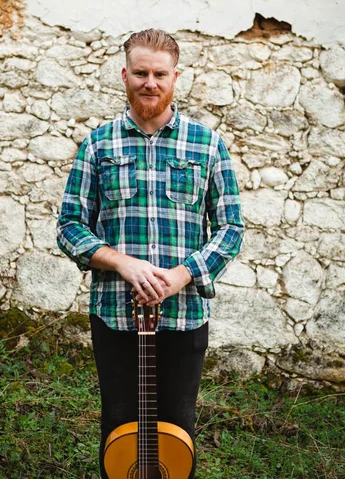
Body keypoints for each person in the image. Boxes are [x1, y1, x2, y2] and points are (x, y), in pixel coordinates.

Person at [56, 28, 245, 478]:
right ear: (125, 74)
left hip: (184, 317)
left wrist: (183, 274)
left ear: (175, 77)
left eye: (160, 73)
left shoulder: (207, 144)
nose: (150, 83)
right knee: (119, 432)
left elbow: (231, 228)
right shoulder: (98, 144)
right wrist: (121, 262)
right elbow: (69, 226)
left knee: (177, 435)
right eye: (140, 72)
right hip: (115, 317)